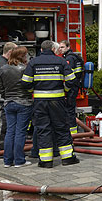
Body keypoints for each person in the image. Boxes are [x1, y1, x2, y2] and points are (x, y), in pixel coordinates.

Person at [21, 40, 80, 168]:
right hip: (58, 101)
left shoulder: (33, 62)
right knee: (62, 128)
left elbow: (25, 82)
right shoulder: (61, 61)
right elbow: (72, 80)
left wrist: (33, 90)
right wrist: (65, 89)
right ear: (54, 50)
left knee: (43, 129)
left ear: (41, 50)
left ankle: (46, 161)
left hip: (40, 102)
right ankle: (68, 158)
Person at [0, 47, 33, 168]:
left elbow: (0, 88)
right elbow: (29, 86)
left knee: (10, 131)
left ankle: (7, 161)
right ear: (22, 56)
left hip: (8, 102)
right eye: (26, 55)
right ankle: (19, 160)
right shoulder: (25, 69)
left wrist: (7, 96)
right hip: (24, 103)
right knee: (20, 132)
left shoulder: (3, 69)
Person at [0, 42, 18, 151]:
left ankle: (5, 147)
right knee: (4, 124)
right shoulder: (3, 65)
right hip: (3, 99)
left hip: (1, 98)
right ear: (10, 52)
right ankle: (2, 148)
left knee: (4, 124)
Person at [58, 39, 84, 135]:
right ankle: (73, 132)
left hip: (72, 88)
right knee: (70, 110)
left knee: (69, 110)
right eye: (59, 47)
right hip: (75, 86)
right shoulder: (73, 56)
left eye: (62, 47)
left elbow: (69, 75)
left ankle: (72, 133)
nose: (60, 49)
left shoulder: (69, 58)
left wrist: (66, 88)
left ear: (68, 47)